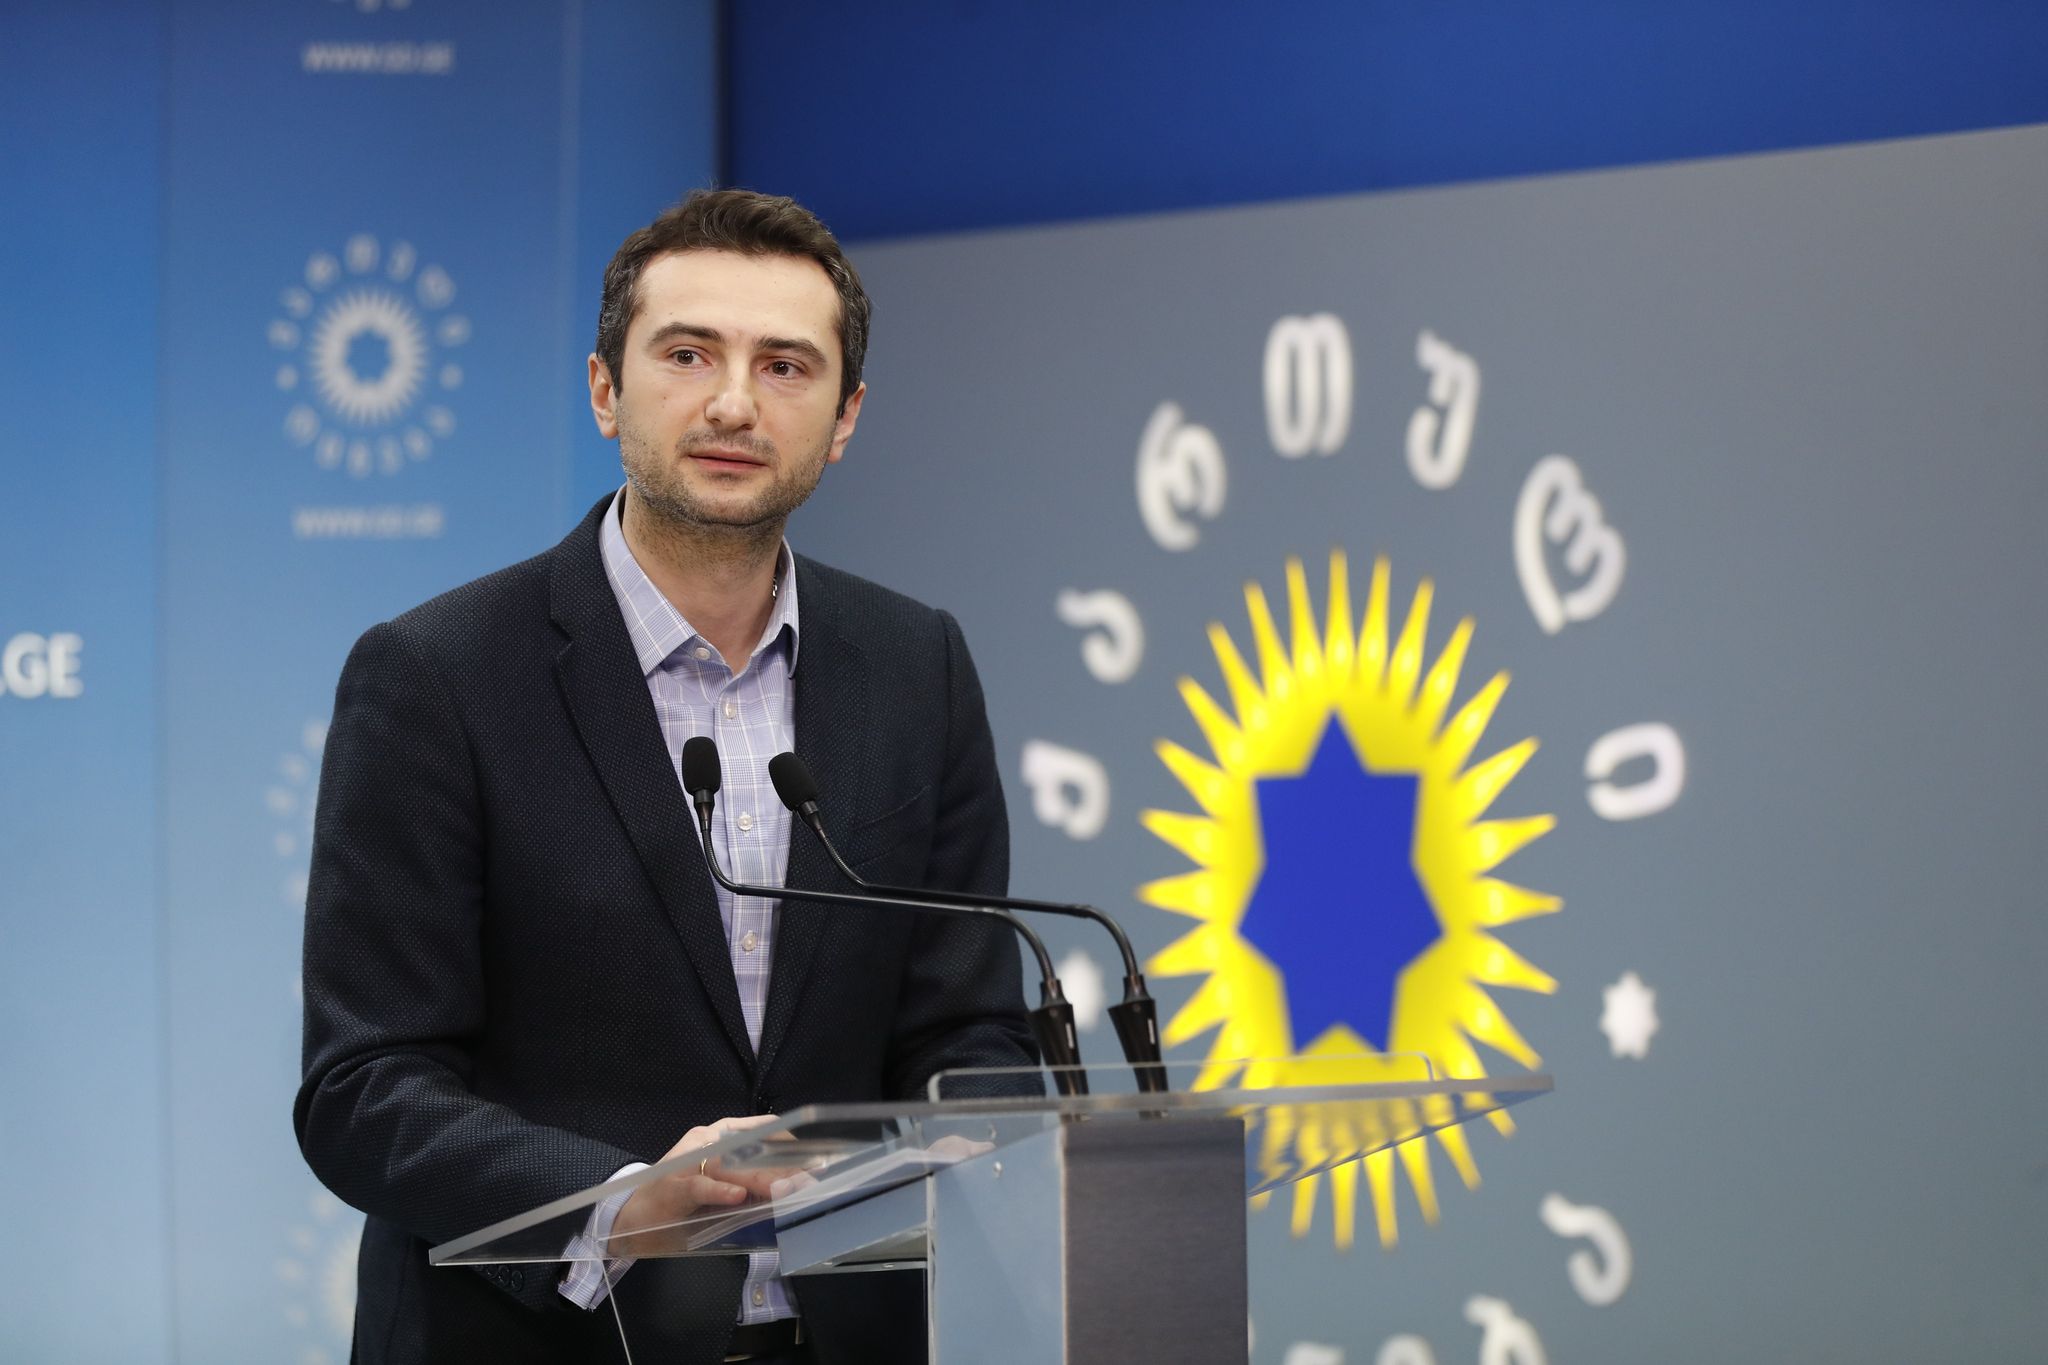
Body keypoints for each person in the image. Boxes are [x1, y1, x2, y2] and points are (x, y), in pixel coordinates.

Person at [295, 189, 1037, 1365]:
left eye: (784, 366)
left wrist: (965, 1136)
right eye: (687, 355)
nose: (733, 403)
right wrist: (619, 1202)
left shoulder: (916, 665)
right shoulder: (436, 675)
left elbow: (969, 1028)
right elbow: (364, 1087)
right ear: (605, 390)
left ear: (844, 418)